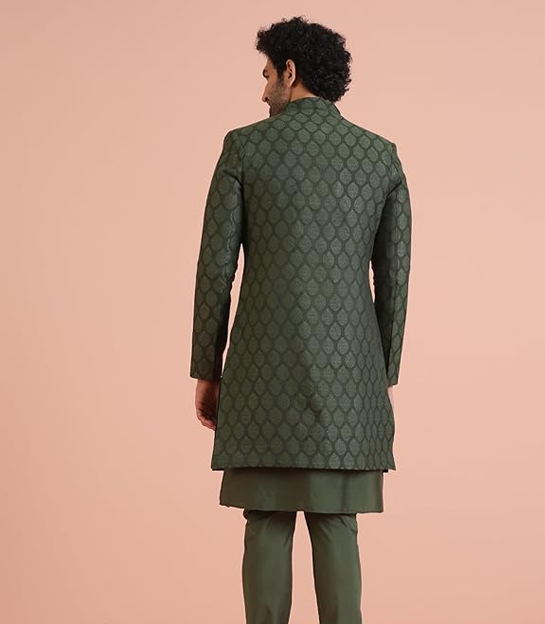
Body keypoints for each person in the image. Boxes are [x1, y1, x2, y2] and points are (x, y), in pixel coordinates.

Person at [189, 15, 412, 624]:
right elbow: (394, 280)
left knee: (265, 518)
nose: (263, 91)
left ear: (290, 72)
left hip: (261, 377)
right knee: (337, 521)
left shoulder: (245, 148)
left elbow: (215, 271)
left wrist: (208, 369)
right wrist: (382, 373)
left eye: (266, 74)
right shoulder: (380, 157)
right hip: (349, 381)